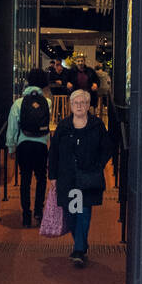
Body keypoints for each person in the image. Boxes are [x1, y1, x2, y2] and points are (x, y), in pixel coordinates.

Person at [47, 89, 114, 268]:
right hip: (68, 178)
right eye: (75, 103)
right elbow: (53, 152)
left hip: (88, 178)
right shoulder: (63, 126)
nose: (79, 106)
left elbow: (107, 148)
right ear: (70, 106)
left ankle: (78, 250)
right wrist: (52, 175)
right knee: (71, 214)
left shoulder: (97, 125)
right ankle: (82, 242)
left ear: (88, 105)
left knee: (83, 212)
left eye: (83, 103)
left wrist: (98, 166)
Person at [6, 68, 52, 227]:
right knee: (41, 178)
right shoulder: (48, 102)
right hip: (40, 145)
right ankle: (39, 211)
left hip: (24, 145)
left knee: (25, 179)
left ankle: (26, 214)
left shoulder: (18, 103)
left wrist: (11, 147)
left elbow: (12, 127)